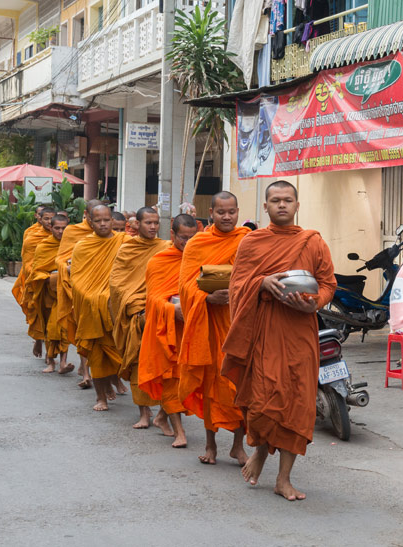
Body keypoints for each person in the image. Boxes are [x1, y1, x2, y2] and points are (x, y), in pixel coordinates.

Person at [223, 181, 337, 501]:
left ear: (297, 205)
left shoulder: (312, 242)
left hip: (300, 329)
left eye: (288, 200)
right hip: (265, 329)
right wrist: (261, 282)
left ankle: (284, 479)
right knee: (263, 399)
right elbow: (237, 286)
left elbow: (328, 284)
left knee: (298, 403)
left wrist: (314, 304)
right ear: (265, 207)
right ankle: (260, 451)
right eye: (275, 200)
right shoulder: (252, 242)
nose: (282, 205)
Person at [177, 191, 250, 465]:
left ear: (238, 211)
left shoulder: (247, 240)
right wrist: (207, 298)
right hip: (209, 326)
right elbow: (185, 285)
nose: (227, 216)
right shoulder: (198, 243)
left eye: (231, 211)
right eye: (221, 212)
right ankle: (211, 445)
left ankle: (237, 445)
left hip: (240, 323)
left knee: (239, 385)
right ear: (211, 213)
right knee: (212, 385)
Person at [138, 213, 200, 449]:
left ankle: (162, 415)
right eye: (183, 237)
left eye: (192, 238)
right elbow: (152, 298)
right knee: (172, 378)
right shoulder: (159, 261)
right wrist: (171, 310)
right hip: (168, 328)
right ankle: (180, 432)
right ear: (173, 234)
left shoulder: (201, 258)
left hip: (193, 328)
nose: (188, 243)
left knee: (187, 378)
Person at [109, 206, 170, 432]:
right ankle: (144, 412)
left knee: (164, 361)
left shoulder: (166, 248)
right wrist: (133, 304)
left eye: (156, 223)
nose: (153, 227)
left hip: (160, 309)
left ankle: (165, 410)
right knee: (138, 360)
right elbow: (117, 283)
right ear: (137, 224)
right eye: (148, 223)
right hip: (136, 312)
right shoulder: (127, 249)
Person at [72, 205, 127, 411]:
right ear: (90, 222)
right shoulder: (83, 246)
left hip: (115, 309)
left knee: (118, 353)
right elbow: (76, 279)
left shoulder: (125, 242)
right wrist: (95, 298)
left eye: (106, 220)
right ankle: (100, 397)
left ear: (112, 221)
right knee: (96, 356)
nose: (103, 224)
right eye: (98, 221)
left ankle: (114, 383)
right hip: (93, 309)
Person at [55, 200, 101, 388]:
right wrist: (67, 266)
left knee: (99, 334)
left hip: (100, 289)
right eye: (95, 218)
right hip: (77, 287)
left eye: (103, 218)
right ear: (86, 214)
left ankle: (95, 372)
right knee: (82, 330)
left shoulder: (112, 236)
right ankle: (86, 373)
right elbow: (59, 257)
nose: (100, 222)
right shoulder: (73, 232)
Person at [23, 213, 71, 374]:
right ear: (50, 228)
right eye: (57, 228)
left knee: (64, 326)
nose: (61, 231)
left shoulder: (73, 246)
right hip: (47, 292)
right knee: (50, 327)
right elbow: (35, 271)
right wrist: (50, 277)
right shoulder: (43, 246)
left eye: (64, 228)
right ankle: (51, 361)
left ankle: (63, 362)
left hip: (66, 292)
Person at [13, 206, 55, 357]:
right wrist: (42, 274)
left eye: (52, 218)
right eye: (46, 218)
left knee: (56, 317)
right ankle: (38, 339)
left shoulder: (62, 236)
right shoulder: (31, 236)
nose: (49, 222)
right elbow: (28, 261)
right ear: (38, 218)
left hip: (56, 282)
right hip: (36, 280)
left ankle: (53, 356)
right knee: (37, 312)